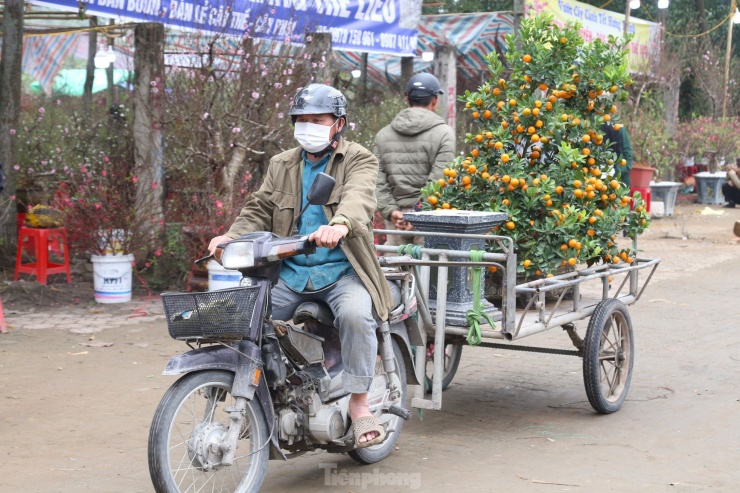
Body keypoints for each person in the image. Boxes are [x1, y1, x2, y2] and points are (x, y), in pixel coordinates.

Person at [208, 84, 393, 448]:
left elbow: (360, 197)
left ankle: (359, 403)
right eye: (301, 120)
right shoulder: (282, 164)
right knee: (241, 317)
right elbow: (259, 208)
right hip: (291, 273)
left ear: (337, 124)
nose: (308, 126)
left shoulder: (359, 159)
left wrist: (340, 224)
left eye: (317, 120)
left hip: (343, 270)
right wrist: (230, 236)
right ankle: (262, 394)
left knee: (357, 316)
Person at [374, 73, 455, 246]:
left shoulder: (383, 135)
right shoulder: (444, 134)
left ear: (407, 98)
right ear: (435, 100)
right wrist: (419, 212)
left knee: (394, 270)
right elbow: (439, 180)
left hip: (396, 221)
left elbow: (377, 181)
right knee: (425, 270)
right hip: (429, 220)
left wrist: (392, 211)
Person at [601, 123, 634, 189]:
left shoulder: (619, 129)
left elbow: (628, 155)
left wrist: (617, 171)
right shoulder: (592, 128)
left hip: (620, 178)